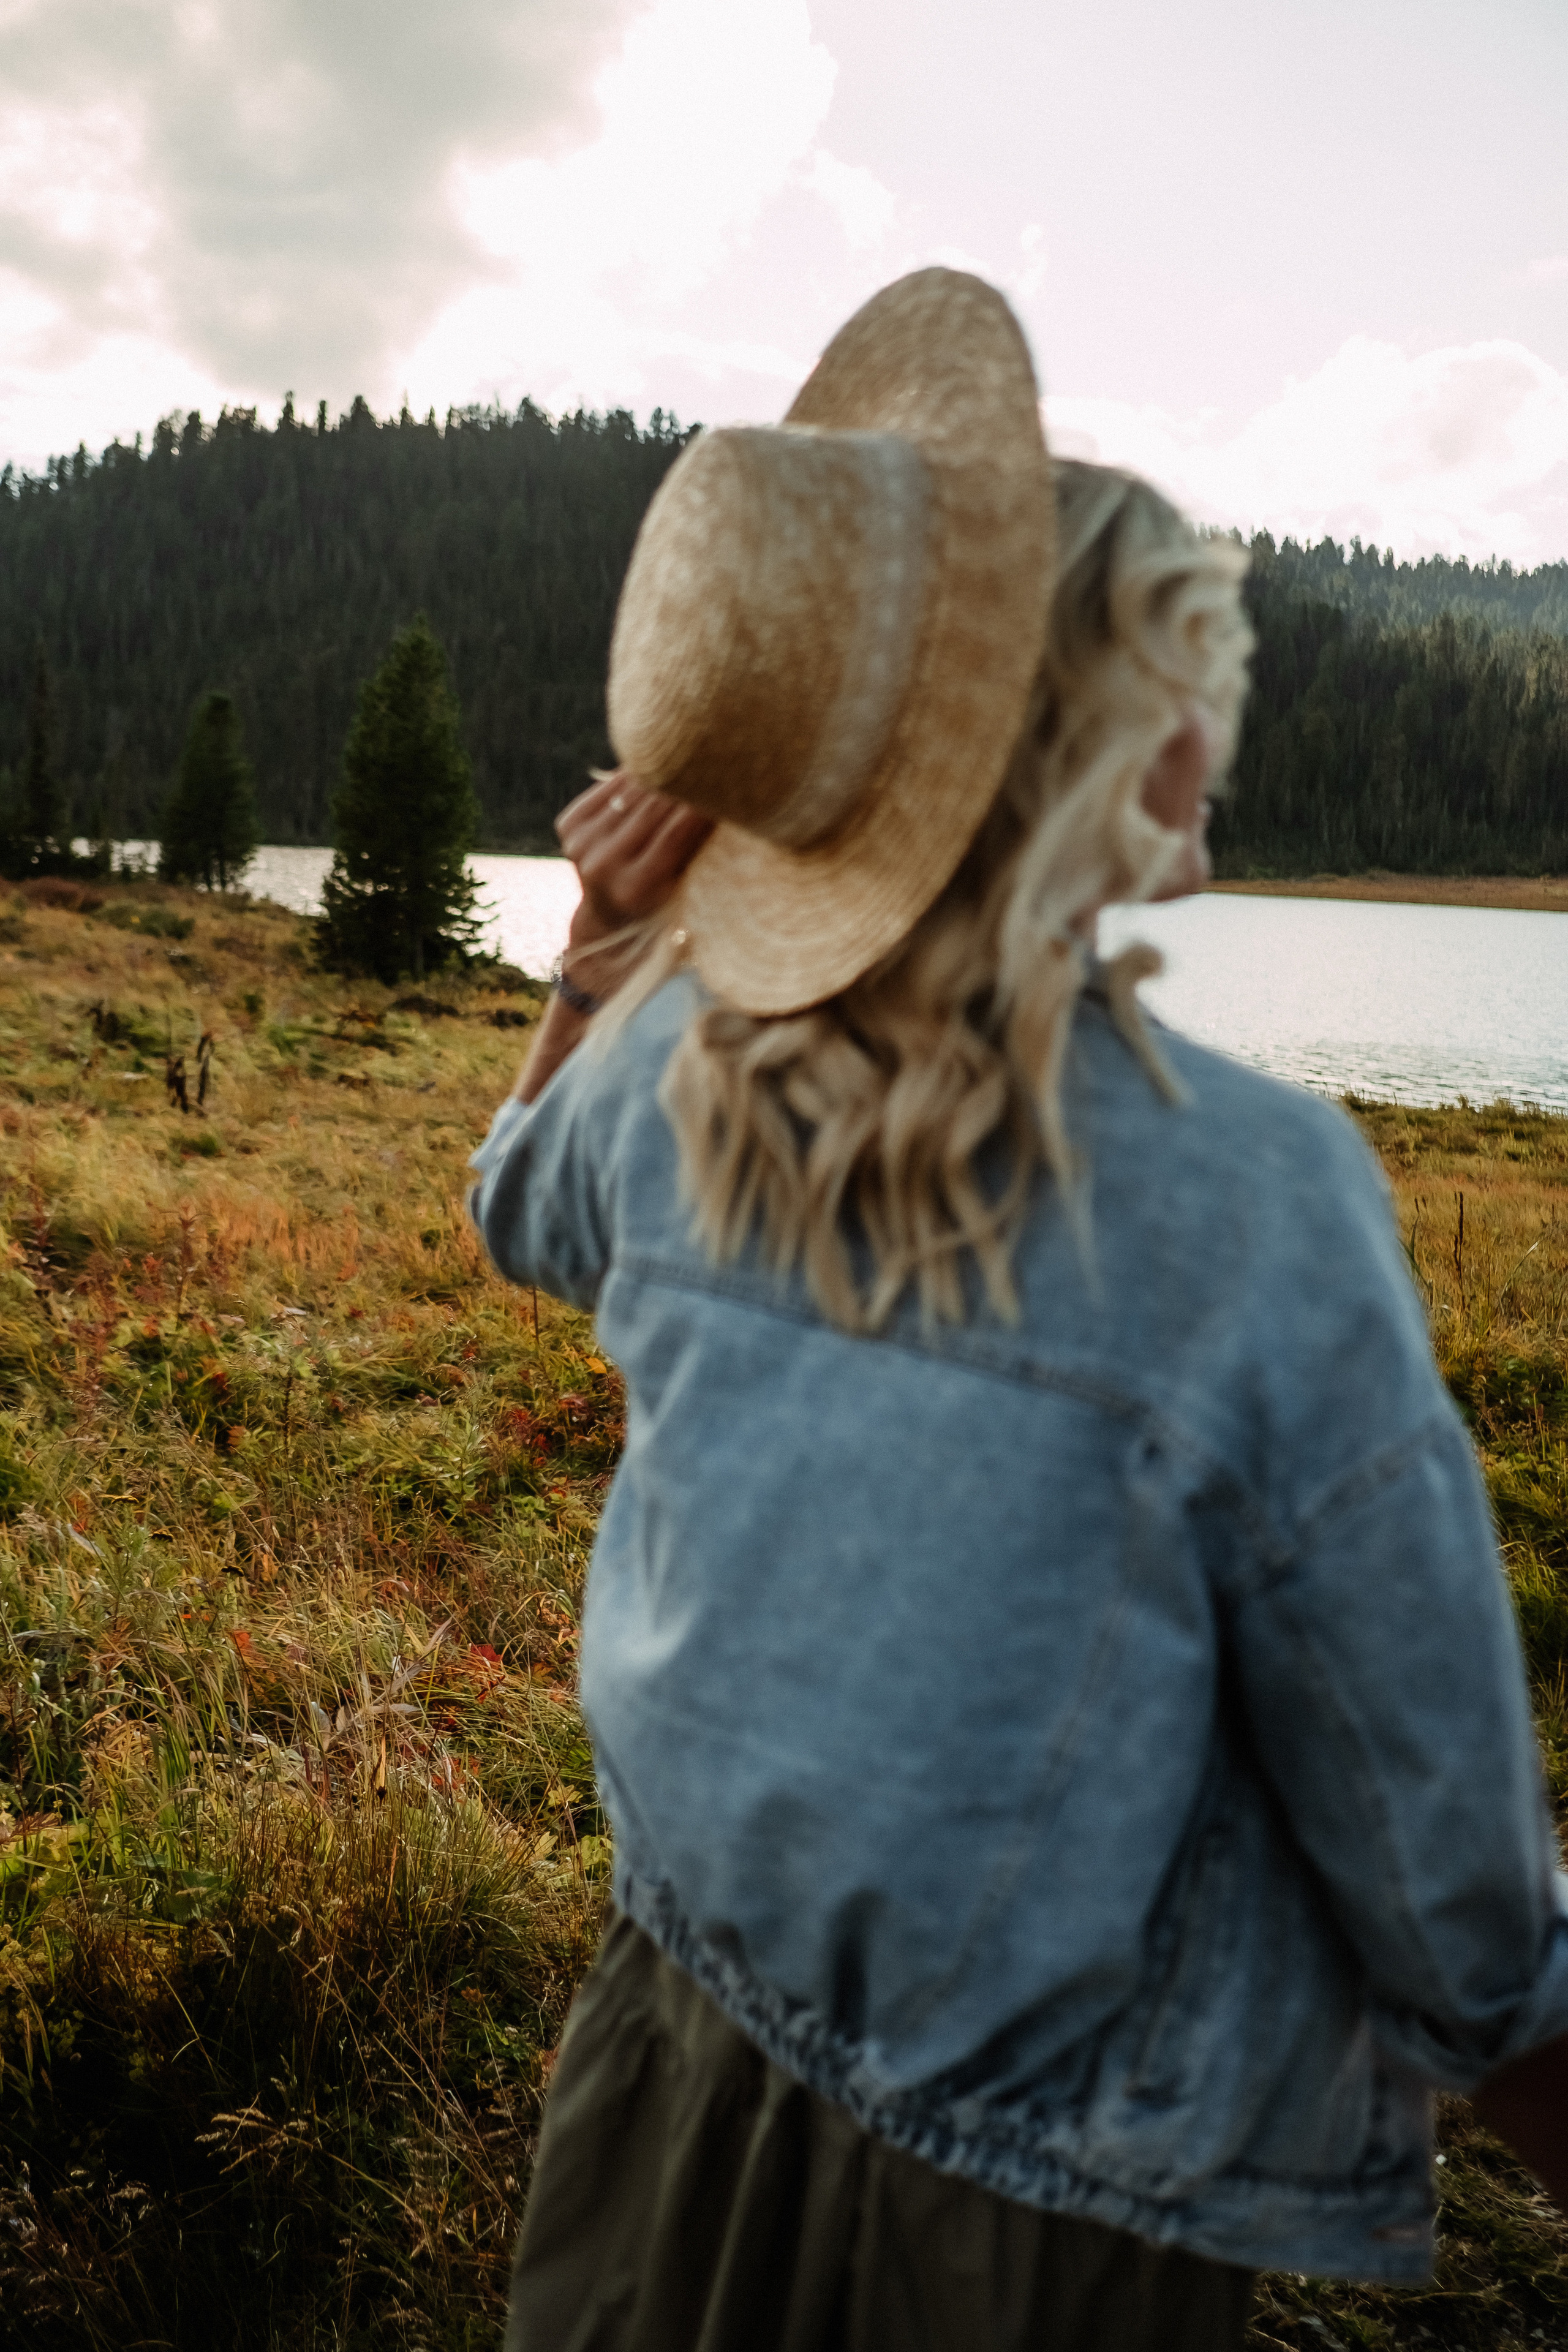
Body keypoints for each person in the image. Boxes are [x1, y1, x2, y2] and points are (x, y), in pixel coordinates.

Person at [470, 269, 1568, 2352]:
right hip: (1030, 2214)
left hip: (655, 2064)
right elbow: (1451, 1892)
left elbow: (516, 1210)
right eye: (1195, 663)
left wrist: (602, 951)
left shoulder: (664, 1054)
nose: (1221, 713)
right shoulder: (1254, 1197)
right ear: (1092, 731)